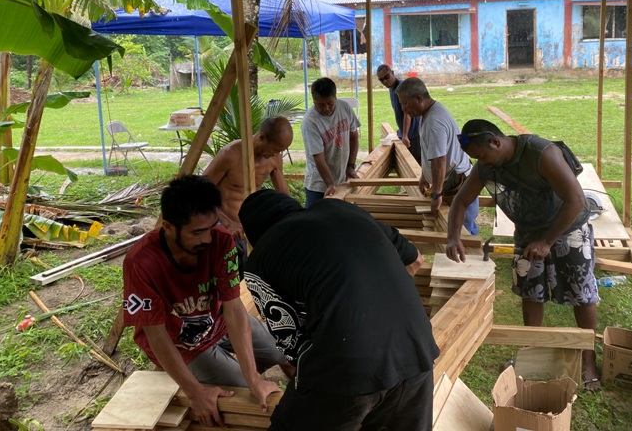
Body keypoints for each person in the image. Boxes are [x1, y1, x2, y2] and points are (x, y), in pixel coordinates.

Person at [237, 190, 439, 431]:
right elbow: (415, 259)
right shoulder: (342, 209)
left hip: (349, 365)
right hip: (418, 348)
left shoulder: (259, 261)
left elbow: (292, 340)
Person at [122, 176, 290, 427]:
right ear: (168, 227)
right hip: (182, 345)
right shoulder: (141, 262)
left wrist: (255, 378)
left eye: (212, 227)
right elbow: (157, 336)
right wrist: (195, 393)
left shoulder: (221, 241)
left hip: (219, 321)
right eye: (198, 232)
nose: (208, 239)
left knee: (281, 351)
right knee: (244, 393)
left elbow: (234, 310)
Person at [445, 119, 601, 390]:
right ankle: (532, 353)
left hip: (568, 226)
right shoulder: (486, 165)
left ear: (495, 142)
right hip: (529, 231)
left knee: (582, 293)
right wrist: (452, 237)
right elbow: (461, 200)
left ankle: (588, 359)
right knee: (531, 292)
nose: (483, 165)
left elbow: (575, 199)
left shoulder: (541, 153)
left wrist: (547, 241)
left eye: (482, 157)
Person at [202, 116, 293, 267]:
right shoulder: (231, 154)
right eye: (276, 150)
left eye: (281, 151)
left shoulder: (274, 158)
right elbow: (200, 190)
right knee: (225, 277)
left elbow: (284, 194)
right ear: (262, 137)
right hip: (223, 226)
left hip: (249, 229)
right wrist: (226, 222)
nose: (277, 155)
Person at [395, 77, 479, 235]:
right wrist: (424, 176)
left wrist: (436, 195)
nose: (403, 109)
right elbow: (430, 152)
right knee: (456, 231)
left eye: (405, 103)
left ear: (419, 98)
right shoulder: (428, 113)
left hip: (459, 186)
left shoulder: (434, 121)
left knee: (464, 233)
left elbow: (439, 161)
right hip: (454, 182)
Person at [300, 77, 360, 207]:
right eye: (320, 105)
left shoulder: (344, 108)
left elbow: (354, 136)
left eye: (330, 103)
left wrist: (350, 166)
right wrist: (330, 184)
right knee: (315, 222)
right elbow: (319, 158)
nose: (326, 108)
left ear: (335, 98)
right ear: (314, 100)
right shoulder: (310, 122)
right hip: (318, 186)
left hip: (341, 179)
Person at [376, 64, 421, 163]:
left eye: (387, 77)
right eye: (381, 80)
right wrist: (401, 132)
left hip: (414, 134)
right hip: (407, 134)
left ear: (392, 73)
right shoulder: (392, 88)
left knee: (416, 165)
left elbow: (407, 113)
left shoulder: (401, 88)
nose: (385, 81)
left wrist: (405, 135)